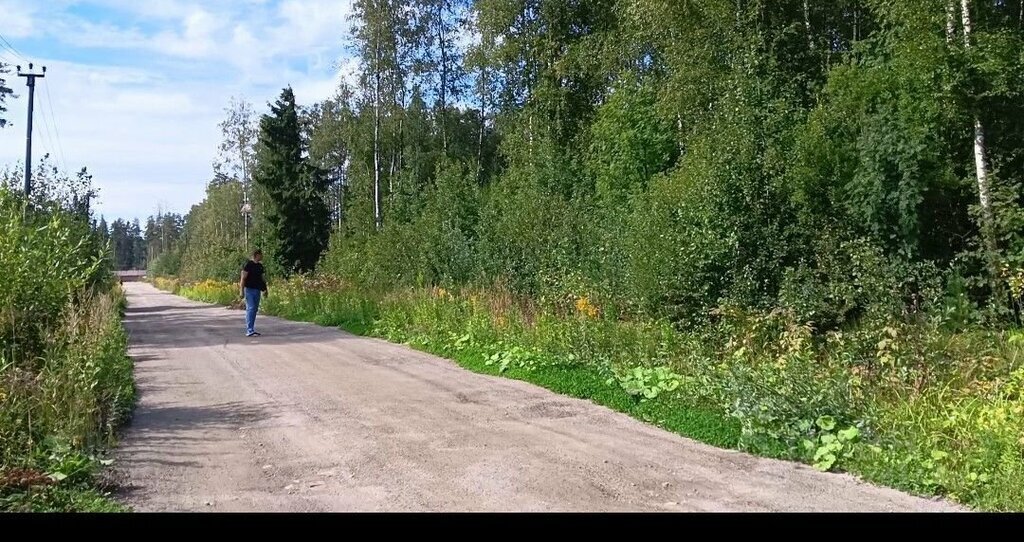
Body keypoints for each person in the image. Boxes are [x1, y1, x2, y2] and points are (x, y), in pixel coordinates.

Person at [240, 249, 268, 337]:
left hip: (257, 290)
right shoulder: (249, 265)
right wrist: (241, 291)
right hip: (249, 290)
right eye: (261, 255)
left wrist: (265, 290)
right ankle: (249, 330)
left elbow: (262, 279)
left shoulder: (260, 266)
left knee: (255, 309)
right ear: (256, 255)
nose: (262, 256)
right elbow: (243, 278)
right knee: (251, 308)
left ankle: (251, 328)